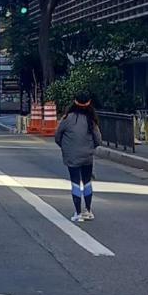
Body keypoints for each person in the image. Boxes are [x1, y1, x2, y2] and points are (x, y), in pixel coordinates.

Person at [55, 92, 102, 223]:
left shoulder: (67, 118)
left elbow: (57, 136)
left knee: (75, 182)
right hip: (87, 155)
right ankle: (88, 210)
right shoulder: (91, 119)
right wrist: (90, 147)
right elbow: (98, 139)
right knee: (87, 182)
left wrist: (66, 147)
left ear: (74, 102)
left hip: (72, 156)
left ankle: (78, 212)